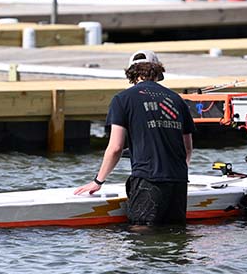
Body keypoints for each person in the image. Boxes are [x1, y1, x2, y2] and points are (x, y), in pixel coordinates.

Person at [74, 50, 194, 226]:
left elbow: (116, 147)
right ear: (158, 71)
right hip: (178, 181)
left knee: (141, 233)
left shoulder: (123, 99)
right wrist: (176, 173)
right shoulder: (177, 100)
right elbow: (187, 148)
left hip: (148, 180)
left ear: (131, 72)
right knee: (175, 233)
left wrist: (98, 181)